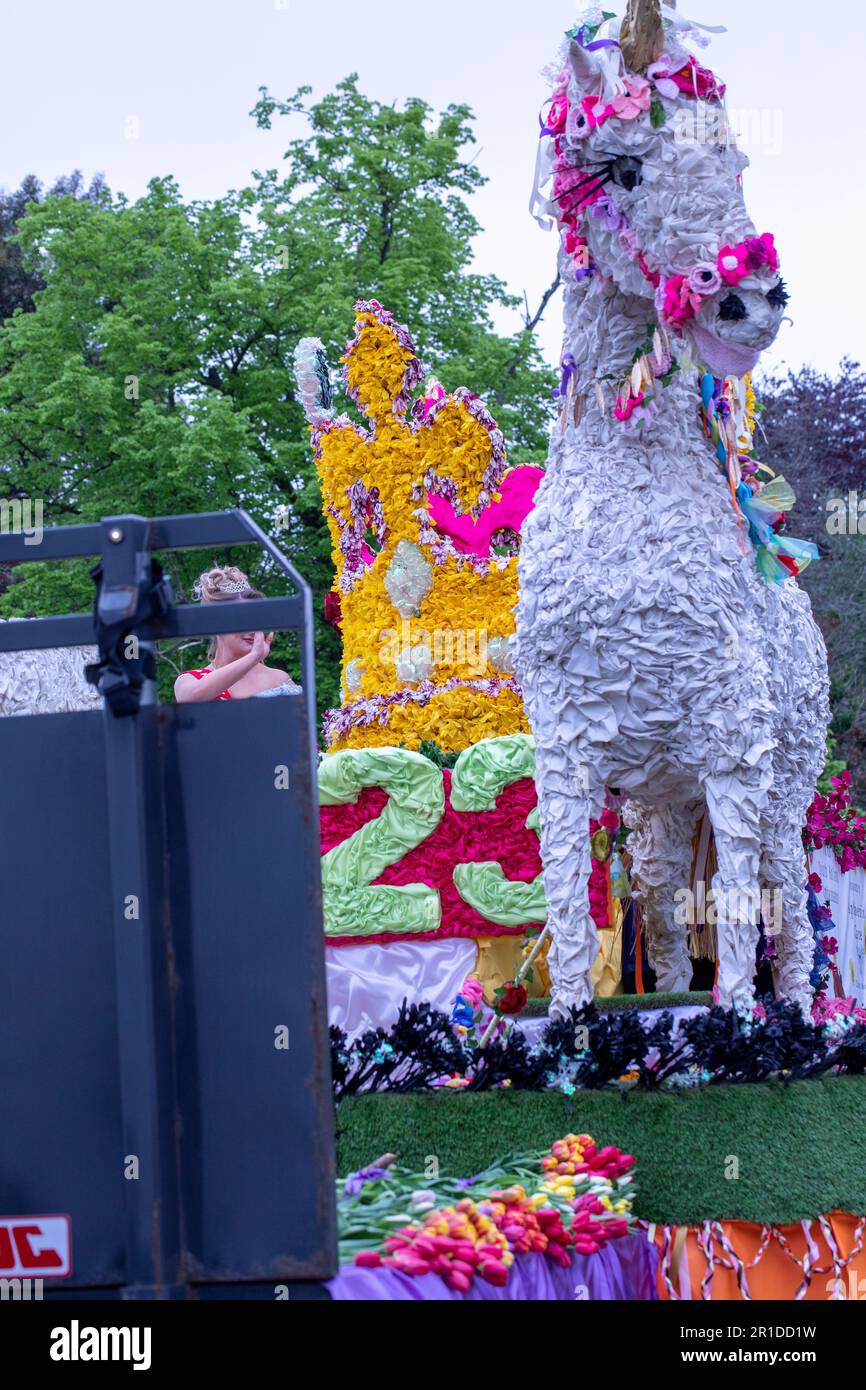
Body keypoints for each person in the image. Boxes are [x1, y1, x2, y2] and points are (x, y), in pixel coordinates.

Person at [174, 565, 301, 703]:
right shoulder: (192, 681)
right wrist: (253, 657)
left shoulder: (279, 679)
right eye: (242, 619)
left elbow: (303, 723)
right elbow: (190, 699)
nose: (252, 629)